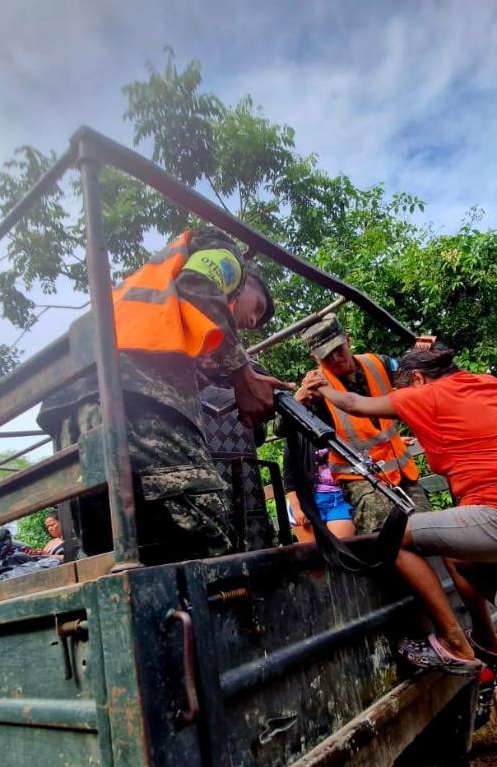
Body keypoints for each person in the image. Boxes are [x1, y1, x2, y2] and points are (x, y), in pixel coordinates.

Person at [38, 226, 289, 564]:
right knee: (206, 535)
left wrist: (190, 371)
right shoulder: (228, 257)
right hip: (131, 398)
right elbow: (198, 286)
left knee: (118, 548)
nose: (252, 320)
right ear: (246, 283)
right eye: (257, 308)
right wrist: (244, 376)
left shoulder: (152, 284)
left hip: (72, 403)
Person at [316, 345, 497, 673]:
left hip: (492, 517)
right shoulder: (486, 383)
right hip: (483, 518)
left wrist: (321, 386)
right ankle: (486, 637)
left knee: (392, 537)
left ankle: (454, 643)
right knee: (459, 557)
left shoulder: (424, 393)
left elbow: (355, 404)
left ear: (417, 377)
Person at [293, 314, 430, 533]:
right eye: (327, 356)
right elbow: (282, 428)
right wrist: (298, 399)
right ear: (315, 358)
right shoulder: (315, 387)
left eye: (339, 349)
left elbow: (418, 378)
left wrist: (426, 352)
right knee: (386, 538)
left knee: (428, 531)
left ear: (347, 340)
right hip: (360, 478)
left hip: (401, 471)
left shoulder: (379, 363)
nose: (336, 359)